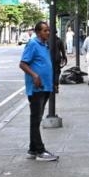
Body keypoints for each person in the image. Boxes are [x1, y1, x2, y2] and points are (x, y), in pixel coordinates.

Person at [19, 20, 58, 161]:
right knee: (35, 119)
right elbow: (23, 64)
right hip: (36, 88)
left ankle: (32, 150)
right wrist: (34, 75)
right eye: (45, 30)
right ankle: (40, 151)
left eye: (48, 30)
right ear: (37, 32)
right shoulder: (33, 44)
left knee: (36, 119)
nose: (48, 32)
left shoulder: (45, 45)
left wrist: (52, 83)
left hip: (45, 87)